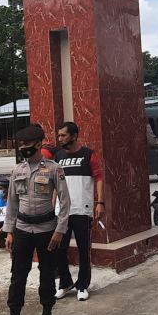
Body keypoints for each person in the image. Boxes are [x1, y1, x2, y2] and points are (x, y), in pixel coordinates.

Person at [1, 125, 71, 315]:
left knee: (47, 274)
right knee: (18, 276)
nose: (23, 148)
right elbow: (12, 203)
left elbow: (66, 201)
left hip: (47, 230)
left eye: (27, 144)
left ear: (39, 143)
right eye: (20, 145)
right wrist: (8, 232)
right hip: (22, 230)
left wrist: (60, 230)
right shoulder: (17, 171)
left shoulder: (53, 169)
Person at [52, 121, 104, 302]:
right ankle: (65, 283)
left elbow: (98, 178)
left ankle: (82, 285)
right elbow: (55, 183)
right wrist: (53, 205)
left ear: (74, 136)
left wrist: (100, 202)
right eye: (58, 135)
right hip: (62, 211)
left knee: (84, 249)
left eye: (63, 135)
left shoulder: (88, 155)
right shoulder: (58, 157)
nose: (59, 139)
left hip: (82, 208)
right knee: (60, 249)